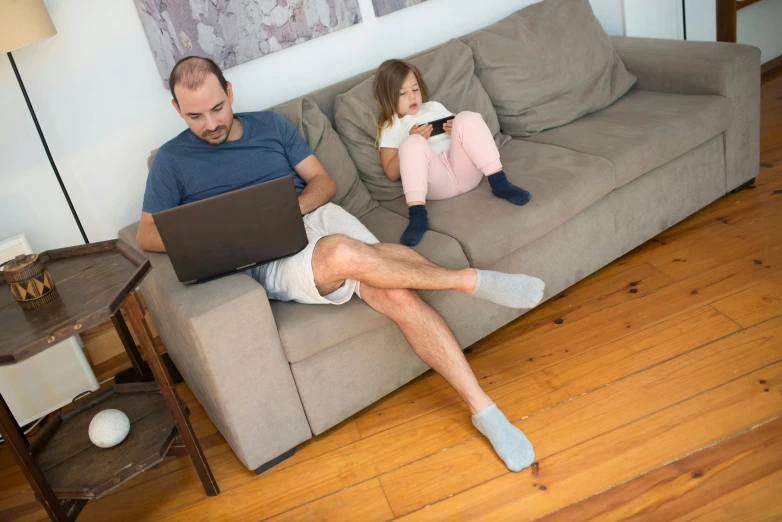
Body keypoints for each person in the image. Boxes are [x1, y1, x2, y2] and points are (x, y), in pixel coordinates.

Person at [137, 56, 544, 472]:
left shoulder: (271, 126)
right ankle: (466, 280)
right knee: (340, 253)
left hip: (316, 216)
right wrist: (230, 233)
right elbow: (147, 234)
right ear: (176, 109)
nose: (210, 124)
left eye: (217, 108)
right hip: (265, 256)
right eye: (194, 116)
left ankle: (486, 411)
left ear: (229, 93)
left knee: (396, 294)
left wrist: (289, 211)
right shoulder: (172, 161)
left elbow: (324, 183)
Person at [375, 59, 531, 246]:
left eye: (415, 89)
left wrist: (455, 125)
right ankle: (417, 216)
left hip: (465, 171)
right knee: (413, 142)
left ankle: (500, 183)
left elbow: (463, 132)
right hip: (435, 182)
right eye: (402, 93)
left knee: (467, 118)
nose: (412, 97)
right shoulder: (391, 125)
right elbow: (391, 173)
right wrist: (409, 140)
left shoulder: (434, 106)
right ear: (388, 97)